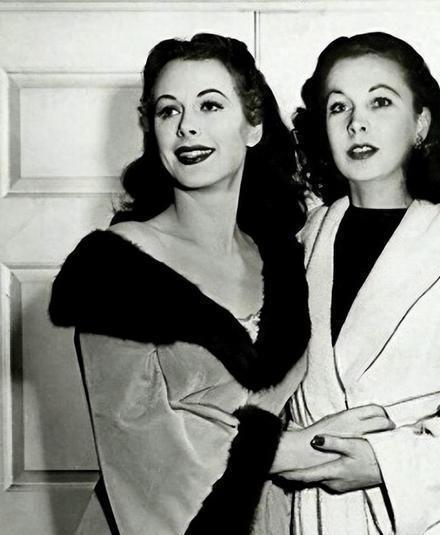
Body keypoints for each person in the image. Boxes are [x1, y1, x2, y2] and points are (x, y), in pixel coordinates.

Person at [48, 34, 390, 535]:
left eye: (209, 105)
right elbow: (137, 441)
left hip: (273, 516)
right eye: (168, 111)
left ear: (253, 126)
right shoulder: (114, 268)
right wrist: (291, 450)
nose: (187, 126)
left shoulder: (283, 257)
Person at [275, 32, 440, 535]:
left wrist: (385, 463)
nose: (356, 122)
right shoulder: (298, 242)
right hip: (304, 516)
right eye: (338, 106)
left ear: (420, 123)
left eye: (380, 102)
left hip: (412, 519)